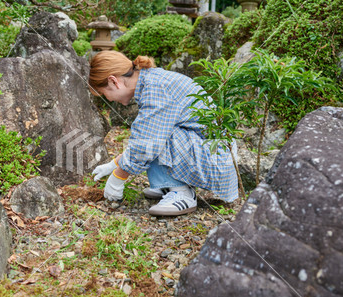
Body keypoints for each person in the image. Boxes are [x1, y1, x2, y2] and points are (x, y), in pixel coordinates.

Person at [89, 51, 238, 216]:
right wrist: (114, 164)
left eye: (104, 94)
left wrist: (119, 176)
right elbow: (145, 134)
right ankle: (167, 183)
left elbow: (148, 141)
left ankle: (182, 193)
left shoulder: (156, 89)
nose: (108, 99)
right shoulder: (150, 82)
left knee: (155, 135)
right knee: (151, 130)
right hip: (206, 151)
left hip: (216, 159)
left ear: (113, 81)